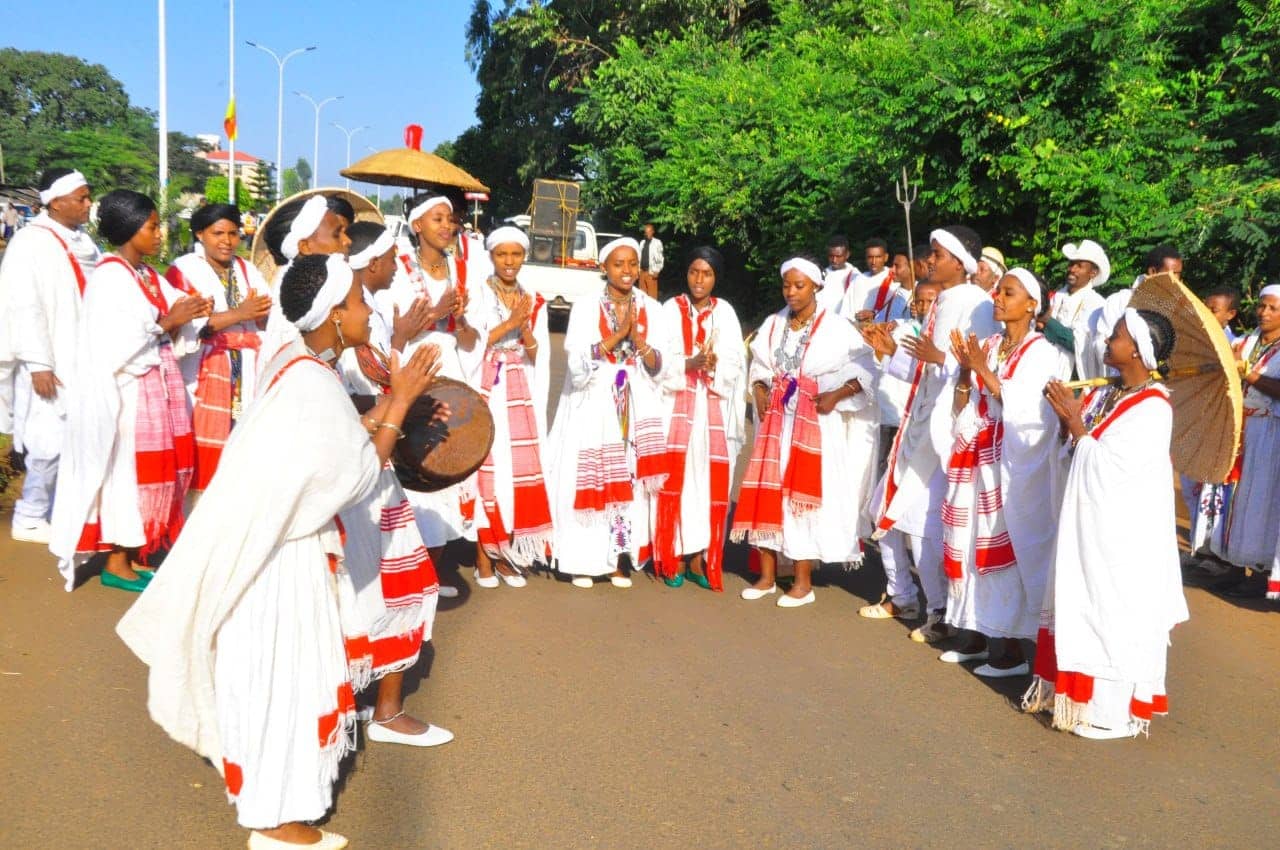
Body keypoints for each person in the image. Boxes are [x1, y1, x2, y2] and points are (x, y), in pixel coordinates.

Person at [117, 253, 443, 849]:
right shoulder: (310, 385)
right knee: (287, 685)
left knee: (285, 684)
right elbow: (354, 478)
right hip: (282, 566)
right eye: (357, 302)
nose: (368, 310)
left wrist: (381, 412)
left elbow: (326, 448)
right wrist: (398, 404)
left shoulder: (298, 366)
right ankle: (272, 823)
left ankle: (276, 808)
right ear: (333, 317)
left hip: (278, 553)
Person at [1025, 309, 1188, 740]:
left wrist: (1077, 426)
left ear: (1135, 347)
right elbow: (1085, 450)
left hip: (1124, 538)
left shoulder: (1154, 407)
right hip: (1092, 526)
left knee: (1113, 609)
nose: (1106, 341)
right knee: (1086, 603)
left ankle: (1112, 714)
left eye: (1115, 335)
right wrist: (1069, 424)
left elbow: (1115, 471)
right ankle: (1079, 701)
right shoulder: (1111, 393)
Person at [49, 190, 210, 592]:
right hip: (125, 395)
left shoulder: (147, 275)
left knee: (151, 475)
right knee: (126, 476)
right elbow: (117, 341)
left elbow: (172, 314)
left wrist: (193, 312)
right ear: (127, 228)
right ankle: (116, 561)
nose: (159, 234)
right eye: (152, 226)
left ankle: (137, 554)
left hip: (156, 387)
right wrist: (169, 321)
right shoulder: (109, 275)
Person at [333, 225, 454, 749]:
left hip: (373, 469)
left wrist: (408, 376)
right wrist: (402, 402)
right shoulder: (345, 327)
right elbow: (352, 404)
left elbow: (382, 386)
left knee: (394, 588)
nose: (393, 263)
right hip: (358, 474)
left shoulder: (369, 318)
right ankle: (377, 710)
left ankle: (379, 707)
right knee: (380, 590)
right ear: (370, 264)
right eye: (387, 256)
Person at [861, 227, 999, 634]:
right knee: (879, 510)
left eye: (937, 254)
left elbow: (979, 367)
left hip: (944, 433)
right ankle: (902, 596)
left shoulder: (977, 304)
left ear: (959, 262)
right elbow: (926, 371)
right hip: (917, 425)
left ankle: (938, 612)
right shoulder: (943, 300)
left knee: (922, 527)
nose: (930, 260)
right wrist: (889, 355)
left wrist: (939, 358)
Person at [938, 268, 1066, 676]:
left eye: (1008, 293)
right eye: (998, 291)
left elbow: (1030, 413)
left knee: (1002, 551)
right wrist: (964, 370)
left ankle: (1009, 650)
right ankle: (974, 634)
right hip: (976, 460)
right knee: (969, 542)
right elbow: (967, 400)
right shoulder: (990, 344)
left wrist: (982, 370)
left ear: (1032, 304)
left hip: (1011, 468)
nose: (997, 297)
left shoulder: (1043, 353)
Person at [733, 257, 878, 607]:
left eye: (799, 286)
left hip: (815, 428)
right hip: (776, 427)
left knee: (802, 501)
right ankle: (767, 576)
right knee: (769, 493)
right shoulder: (773, 324)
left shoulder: (837, 328)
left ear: (815, 286)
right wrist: (760, 388)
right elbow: (759, 365)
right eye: (787, 285)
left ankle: (802, 581)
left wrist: (838, 394)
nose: (791, 293)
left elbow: (867, 369)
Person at [546, 237, 670, 588]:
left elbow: (662, 365)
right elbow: (576, 364)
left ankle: (618, 558)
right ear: (604, 268)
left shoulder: (652, 308)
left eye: (633, 264)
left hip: (634, 404)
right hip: (592, 404)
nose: (627, 271)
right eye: (619, 264)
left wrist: (642, 346)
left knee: (627, 477)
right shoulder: (585, 307)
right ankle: (582, 561)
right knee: (593, 475)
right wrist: (618, 336)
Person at [376, 193, 485, 556]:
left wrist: (463, 322)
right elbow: (395, 329)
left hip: (453, 372)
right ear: (417, 225)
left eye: (450, 219)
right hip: (415, 372)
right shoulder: (400, 269)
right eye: (437, 219)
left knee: (447, 460)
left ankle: (433, 566)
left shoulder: (465, 269)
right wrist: (438, 311)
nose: (446, 226)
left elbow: (471, 340)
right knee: (415, 460)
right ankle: (406, 562)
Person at [0, 169, 99, 544]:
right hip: (48, 360)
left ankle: (58, 510)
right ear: (56, 202)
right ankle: (28, 516)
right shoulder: (31, 242)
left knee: (77, 438)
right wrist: (39, 363)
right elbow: (24, 305)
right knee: (48, 442)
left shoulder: (82, 241)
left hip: (82, 356)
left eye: (88, 197)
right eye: (81, 198)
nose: (88, 204)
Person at [654, 246, 746, 591]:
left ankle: (697, 559)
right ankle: (673, 556)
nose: (699, 280)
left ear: (715, 278)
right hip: (675, 410)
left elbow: (736, 362)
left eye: (706, 274)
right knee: (675, 482)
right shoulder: (669, 310)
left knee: (707, 484)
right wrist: (686, 365)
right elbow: (657, 359)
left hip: (711, 413)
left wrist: (713, 365)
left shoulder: (726, 313)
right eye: (694, 272)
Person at [165, 204, 272, 493]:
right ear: (200, 234)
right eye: (218, 233)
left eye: (233, 234)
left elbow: (263, 311)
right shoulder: (183, 270)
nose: (227, 241)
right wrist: (241, 313)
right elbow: (188, 326)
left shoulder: (246, 269)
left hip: (246, 366)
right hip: (200, 370)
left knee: (242, 441)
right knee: (199, 445)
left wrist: (260, 313)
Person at [470, 225, 554, 588]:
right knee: (487, 472)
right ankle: (482, 560)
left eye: (516, 254)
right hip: (487, 388)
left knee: (513, 476)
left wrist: (527, 331)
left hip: (519, 390)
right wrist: (511, 322)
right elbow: (473, 344)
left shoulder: (533, 298)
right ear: (491, 256)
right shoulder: (476, 294)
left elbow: (539, 353)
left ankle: (506, 557)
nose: (509, 261)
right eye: (502, 254)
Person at [1208, 284, 1280, 598]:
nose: (1264, 313)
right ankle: (1233, 564)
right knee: (1232, 496)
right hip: (1239, 428)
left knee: (1262, 502)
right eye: (1262, 306)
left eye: (1273, 309)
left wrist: (1247, 374)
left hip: (1268, 432)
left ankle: (1259, 570)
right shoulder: (1246, 341)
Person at [1094, 245, 1184, 368]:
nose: (1177, 279)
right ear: (1153, 272)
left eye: (1179, 274)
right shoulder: (1120, 301)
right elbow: (1102, 344)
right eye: (1173, 273)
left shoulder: (1176, 306)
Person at [1048, 239, 1110, 380]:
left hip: (1074, 378)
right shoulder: (1057, 297)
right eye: (1071, 264)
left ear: (1093, 273)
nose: (1072, 269)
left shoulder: (1096, 304)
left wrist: (1048, 322)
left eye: (1079, 266)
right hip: (1045, 369)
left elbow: (1083, 347)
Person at [842, 238, 910, 326]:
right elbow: (845, 311)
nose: (873, 262)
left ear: (886, 257)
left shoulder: (894, 278)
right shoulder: (857, 280)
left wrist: (874, 314)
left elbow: (895, 311)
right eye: (870, 257)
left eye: (878, 257)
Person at [819, 234, 859, 314]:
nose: (834, 260)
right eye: (831, 256)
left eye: (838, 256)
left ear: (847, 255)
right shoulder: (821, 274)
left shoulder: (855, 276)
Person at [638, 222, 664, 300]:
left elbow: (660, 258)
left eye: (649, 232)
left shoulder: (657, 242)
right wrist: (638, 270)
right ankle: (644, 311)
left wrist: (657, 270)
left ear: (653, 232)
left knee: (652, 296)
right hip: (642, 272)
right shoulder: (642, 242)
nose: (647, 234)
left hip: (651, 272)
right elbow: (639, 256)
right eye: (646, 232)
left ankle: (653, 311)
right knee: (642, 295)